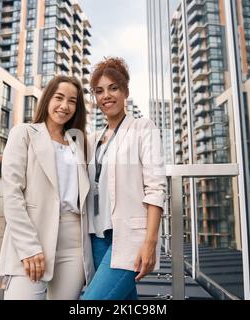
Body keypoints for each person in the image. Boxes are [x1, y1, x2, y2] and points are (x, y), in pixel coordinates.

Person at [0, 75, 94, 300]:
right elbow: (12, 194)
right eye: (59, 97)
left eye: (72, 101)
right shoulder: (24, 133)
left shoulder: (79, 145)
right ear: (47, 99)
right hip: (33, 235)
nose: (64, 106)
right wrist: (29, 247)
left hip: (73, 244)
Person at [81, 57, 166, 300]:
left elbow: (156, 188)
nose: (106, 95)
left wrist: (149, 242)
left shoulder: (143, 128)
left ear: (125, 91)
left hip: (130, 238)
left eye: (113, 88)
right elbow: (57, 159)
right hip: (97, 238)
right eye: (99, 91)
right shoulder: (95, 138)